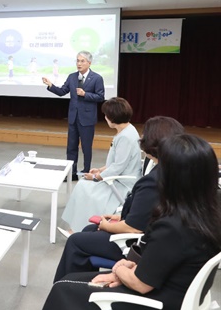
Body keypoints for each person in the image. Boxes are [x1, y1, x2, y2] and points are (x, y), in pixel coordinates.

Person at [40, 134, 221, 310]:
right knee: (70, 283)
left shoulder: (173, 227)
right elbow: (162, 262)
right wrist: (128, 268)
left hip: (157, 305)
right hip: (176, 294)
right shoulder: (208, 212)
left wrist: (119, 269)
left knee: (63, 289)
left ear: (174, 177)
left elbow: (140, 284)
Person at [53, 116, 185, 282]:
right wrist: (118, 218)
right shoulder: (173, 170)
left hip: (136, 244)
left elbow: (133, 228)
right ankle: (82, 283)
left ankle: (65, 285)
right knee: (87, 231)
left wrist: (106, 225)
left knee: (76, 241)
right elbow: (146, 213)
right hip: (152, 237)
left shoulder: (153, 180)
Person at [59, 97, 142, 234]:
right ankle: (76, 228)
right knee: (83, 185)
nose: (105, 118)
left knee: (85, 188)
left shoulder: (125, 137)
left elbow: (118, 166)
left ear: (113, 117)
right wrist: (100, 170)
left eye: (106, 115)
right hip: (118, 176)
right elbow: (116, 162)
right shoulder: (127, 131)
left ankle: (78, 230)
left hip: (123, 182)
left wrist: (97, 177)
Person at [42, 51, 105, 180]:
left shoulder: (97, 78)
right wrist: (50, 85)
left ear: (89, 63)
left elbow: (100, 96)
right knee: (71, 147)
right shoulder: (72, 77)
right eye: (77, 60)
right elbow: (62, 91)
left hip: (87, 119)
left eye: (82, 61)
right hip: (73, 117)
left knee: (86, 148)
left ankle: (87, 171)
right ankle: (72, 173)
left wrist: (85, 94)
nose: (79, 63)